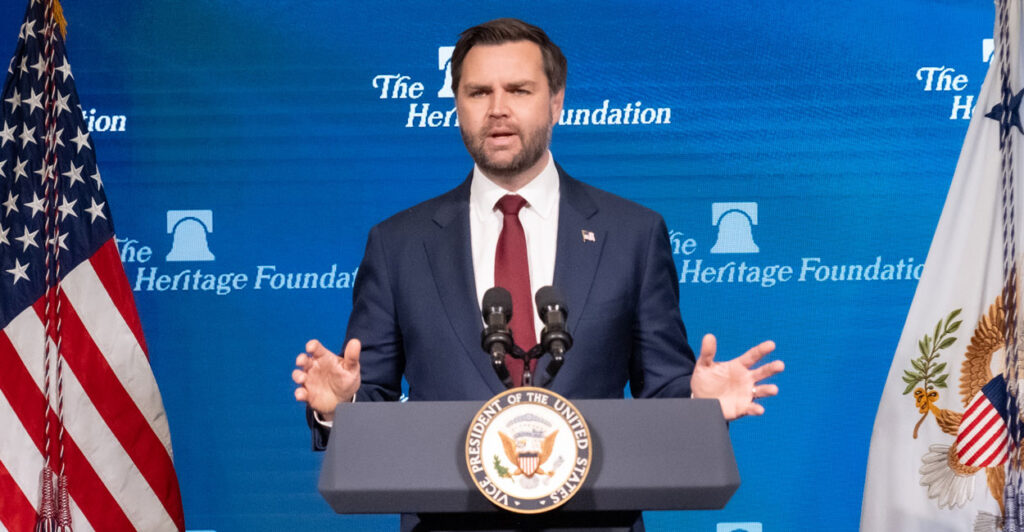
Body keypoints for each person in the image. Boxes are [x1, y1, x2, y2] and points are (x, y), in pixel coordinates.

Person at [292, 17, 784, 531]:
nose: (498, 108)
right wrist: (339, 407)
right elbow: (374, 405)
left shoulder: (632, 234)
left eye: (519, 90)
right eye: (478, 91)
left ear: (556, 103)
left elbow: (662, 391)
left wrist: (697, 406)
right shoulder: (398, 244)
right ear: (457, 104)